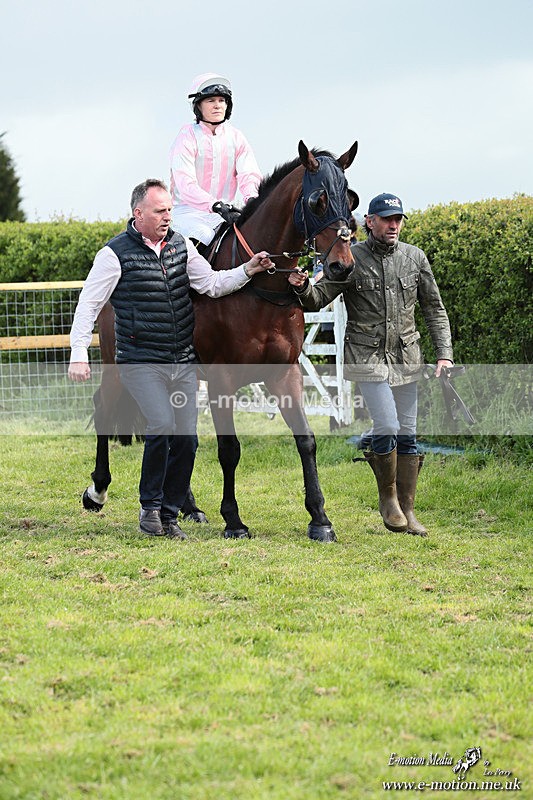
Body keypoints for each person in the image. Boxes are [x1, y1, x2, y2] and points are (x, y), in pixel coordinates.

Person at [69, 178, 274, 539]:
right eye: (160, 211)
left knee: (188, 439)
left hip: (181, 360)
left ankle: (169, 513)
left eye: (169, 210)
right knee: (162, 424)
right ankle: (149, 508)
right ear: (139, 213)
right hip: (140, 360)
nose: (168, 217)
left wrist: (248, 270)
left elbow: (211, 284)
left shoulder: (181, 246)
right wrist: (78, 353)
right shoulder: (114, 254)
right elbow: (88, 305)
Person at [289, 193, 454, 537]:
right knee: (388, 425)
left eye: (398, 219)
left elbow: (434, 309)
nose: (393, 225)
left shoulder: (415, 258)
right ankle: (388, 499)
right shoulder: (352, 258)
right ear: (369, 221)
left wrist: (444, 353)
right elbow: (320, 297)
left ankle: (408, 511)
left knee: (408, 435)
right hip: (367, 358)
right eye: (387, 219)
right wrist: (304, 287)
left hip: (407, 357)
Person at [169, 72, 262, 246]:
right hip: (189, 214)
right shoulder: (186, 136)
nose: (217, 106)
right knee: (204, 235)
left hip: (226, 213)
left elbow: (249, 175)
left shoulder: (237, 137)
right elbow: (186, 184)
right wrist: (215, 205)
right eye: (211, 101)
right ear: (198, 106)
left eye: (222, 100)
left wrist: (252, 200)